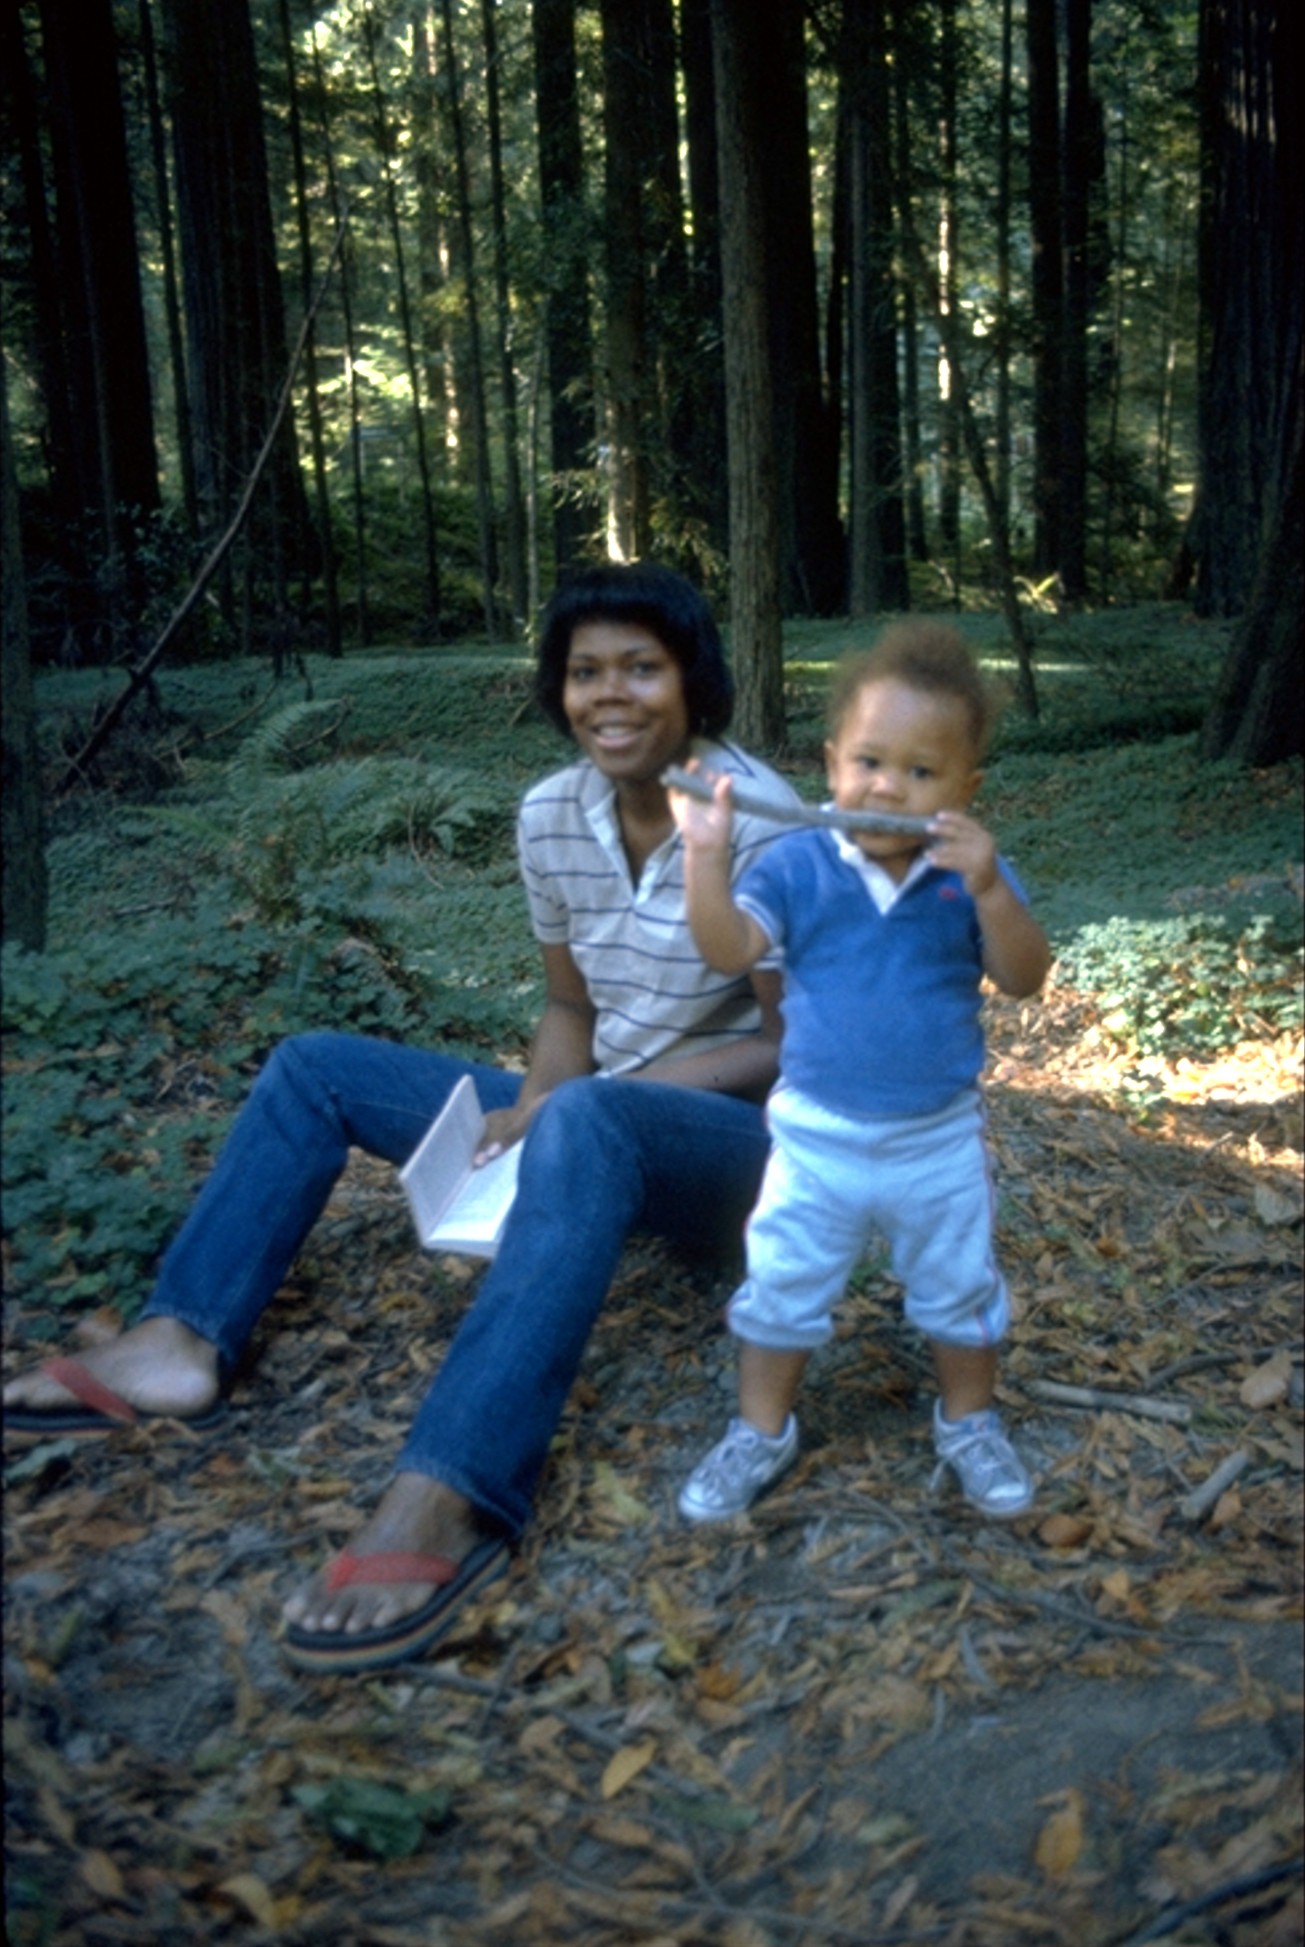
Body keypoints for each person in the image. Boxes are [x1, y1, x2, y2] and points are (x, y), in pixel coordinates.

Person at [4, 563, 798, 1673]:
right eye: (584, 673)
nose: (608, 696)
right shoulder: (549, 814)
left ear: (693, 682)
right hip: (594, 1117)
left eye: (640, 669)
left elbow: (789, 1044)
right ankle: (181, 1336)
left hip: (747, 1152)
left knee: (585, 1123)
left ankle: (451, 1488)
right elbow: (569, 1006)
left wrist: (603, 1103)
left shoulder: (760, 820)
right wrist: (532, 1099)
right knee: (316, 1068)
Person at [668, 620, 1050, 1525]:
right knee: (781, 1287)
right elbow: (728, 947)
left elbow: (1026, 978)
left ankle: (968, 1419)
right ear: (832, 762)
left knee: (959, 1288)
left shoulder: (967, 877)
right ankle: (761, 1429)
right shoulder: (799, 863)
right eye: (870, 761)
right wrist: (702, 855)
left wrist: (993, 887)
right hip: (815, 1137)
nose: (888, 786)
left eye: (922, 772)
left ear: (966, 789)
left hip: (935, 1139)